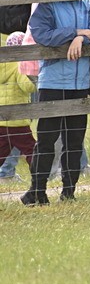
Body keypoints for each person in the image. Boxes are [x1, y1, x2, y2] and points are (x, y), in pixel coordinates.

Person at [21, 0, 90, 205]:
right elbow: (43, 34)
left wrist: (81, 39)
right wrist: (76, 33)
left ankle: (69, 192)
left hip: (80, 84)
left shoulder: (87, 4)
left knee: (74, 141)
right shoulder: (46, 6)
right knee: (46, 139)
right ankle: (37, 190)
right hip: (53, 83)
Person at [0, 34, 37, 184]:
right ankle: (40, 175)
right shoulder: (19, 65)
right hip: (18, 120)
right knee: (31, 151)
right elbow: (27, 87)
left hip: (1, 119)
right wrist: (34, 77)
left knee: (1, 151)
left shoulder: (2, 64)